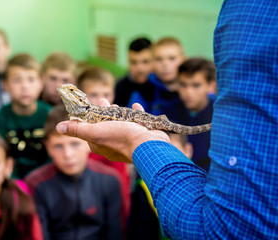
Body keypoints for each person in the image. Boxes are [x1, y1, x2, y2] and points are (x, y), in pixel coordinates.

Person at [55, 1, 278, 238]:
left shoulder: (91, 113)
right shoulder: (88, 112)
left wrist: (138, 141)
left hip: (151, 125)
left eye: (70, 90)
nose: (65, 91)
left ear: (78, 96)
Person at [25, 105, 124, 240]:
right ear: (48, 147)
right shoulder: (35, 183)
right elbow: (40, 234)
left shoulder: (109, 180)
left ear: (89, 142)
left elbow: (115, 233)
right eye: (58, 146)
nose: (68, 155)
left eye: (75, 144)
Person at [77, 66, 131, 219]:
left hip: (116, 176)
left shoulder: (119, 121)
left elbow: (122, 177)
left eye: (107, 94)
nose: (102, 100)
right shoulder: (77, 124)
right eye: (93, 94)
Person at [0, 53, 51, 179]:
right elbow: (0, 156)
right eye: (17, 80)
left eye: (31, 79)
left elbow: (55, 156)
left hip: (46, 181)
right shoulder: (0, 118)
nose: (25, 86)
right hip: (12, 182)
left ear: (41, 83)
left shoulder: (50, 115)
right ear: (5, 85)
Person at [128, 133, 192, 240]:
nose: (165, 160)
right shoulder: (143, 189)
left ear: (188, 150)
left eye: (174, 151)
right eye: (161, 153)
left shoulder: (208, 186)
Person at [165, 57, 216, 171]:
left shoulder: (218, 115)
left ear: (210, 85)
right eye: (183, 85)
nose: (188, 92)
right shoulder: (168, 112)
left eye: (196, 85)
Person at [146, 37, 186, 115]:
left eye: (172, 58)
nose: (165, 64)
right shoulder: (143, 93)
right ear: (152, 63)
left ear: (183, 60)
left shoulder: (195, 90)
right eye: (159, 59)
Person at [113, 37, 155, 111]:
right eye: (133, 62)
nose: (140, 68)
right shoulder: (120, 88)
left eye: (145, 62)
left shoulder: (163, 86)